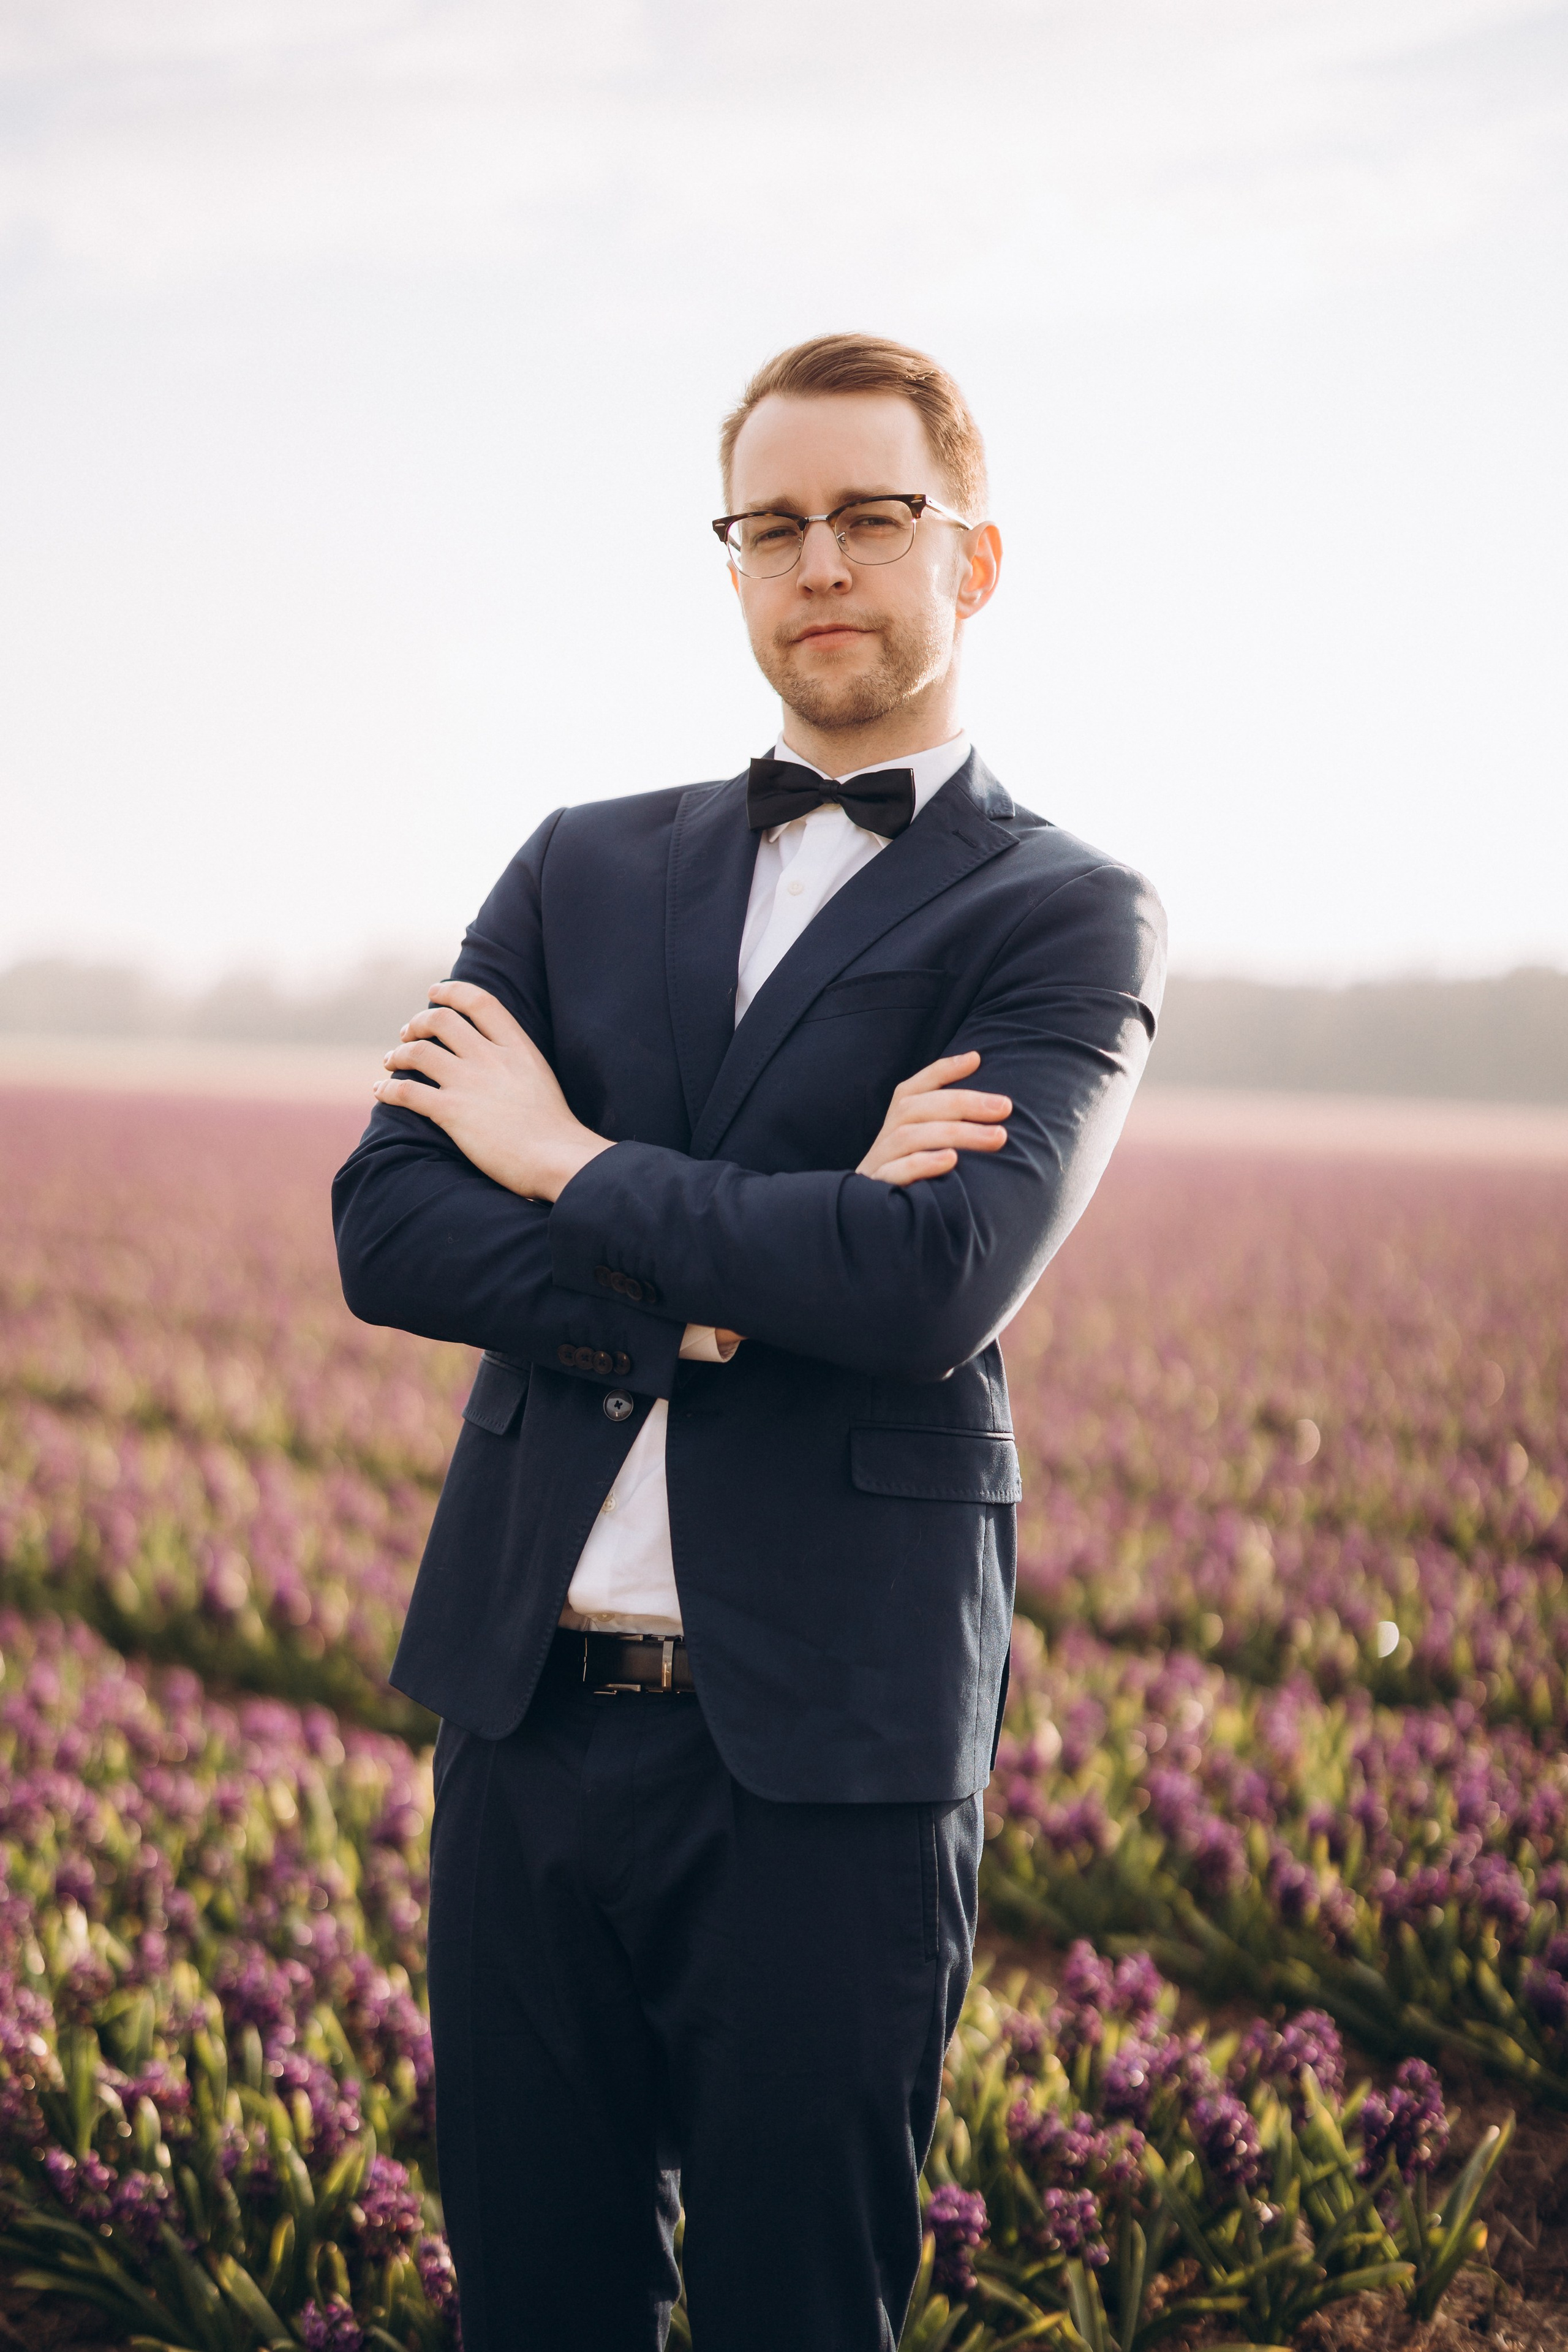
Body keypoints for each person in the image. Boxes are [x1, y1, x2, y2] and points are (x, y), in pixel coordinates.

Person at [332, 331, 1166, 2352]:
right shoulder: (577, 862)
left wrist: (562, 1158)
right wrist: (733, 1272)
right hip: (525, 1722)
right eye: (773, 524)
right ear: (731, 566)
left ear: (972, 562)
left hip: (830, 1758)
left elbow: (927, 1282)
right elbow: (391, 1222)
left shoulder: (1062, 912)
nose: (820, 563)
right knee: (534, 2303)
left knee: (804, 2306)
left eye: (873, 517)